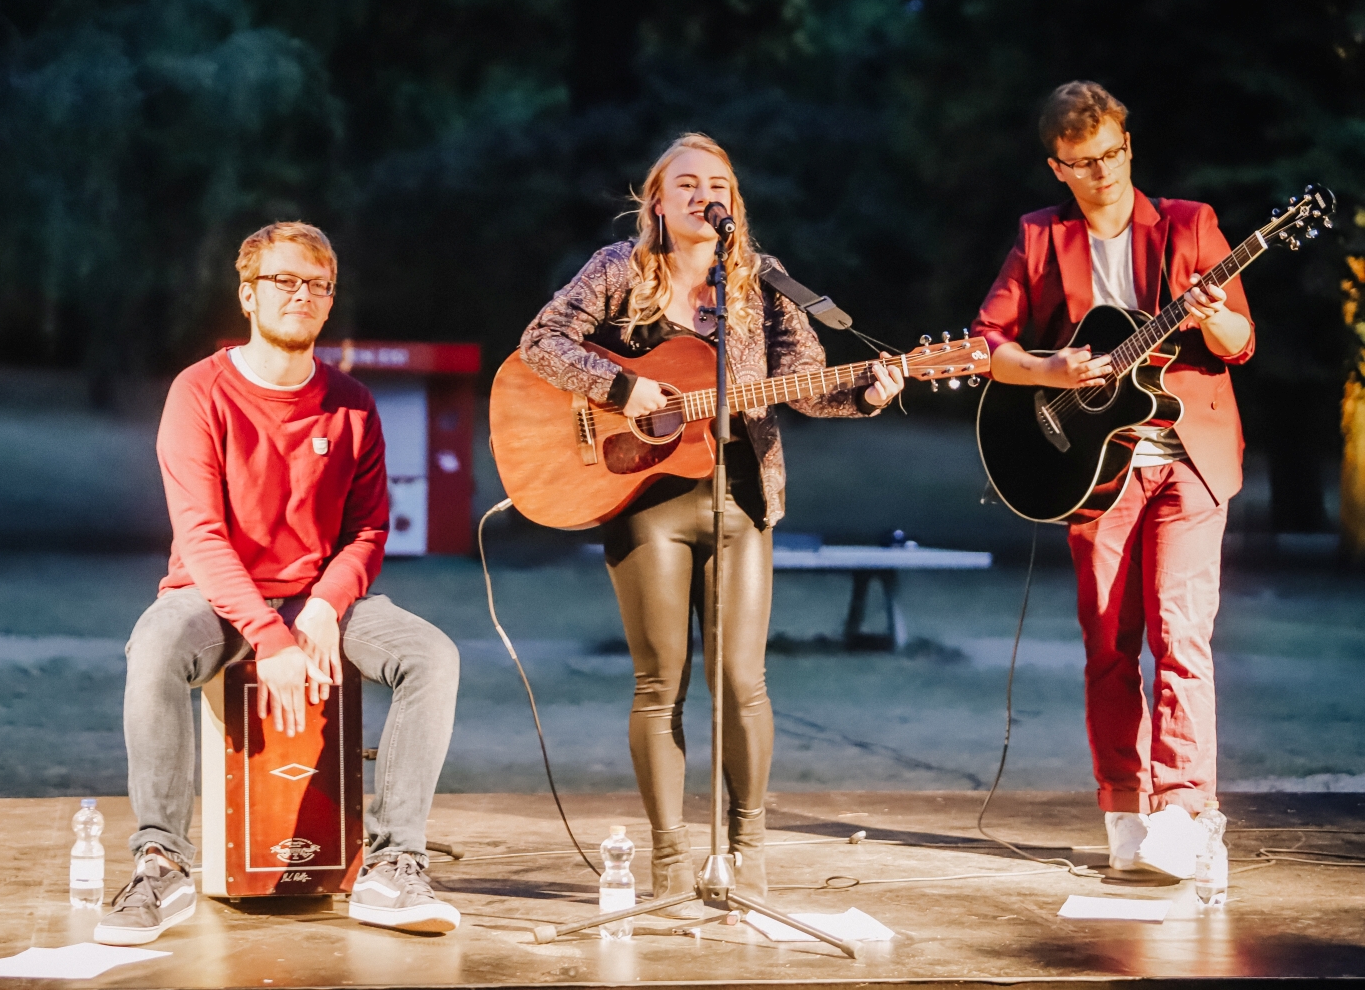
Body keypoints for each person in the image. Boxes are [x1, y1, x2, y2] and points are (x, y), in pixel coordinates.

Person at [519, 133, 903, 911]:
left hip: (743, 496)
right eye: (687, 183)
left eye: (718, 184)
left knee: (741, 680)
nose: (705, 195)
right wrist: (623, 390)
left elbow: (804, 383)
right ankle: (668, 860)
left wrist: (868, 390)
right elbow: (541, 342)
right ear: (657, 200)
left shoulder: (763, 282)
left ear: (735, 202)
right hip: (644, 498)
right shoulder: (618, 270)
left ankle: (746, 855)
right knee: (660, 683)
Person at [96, 221, 462, 944]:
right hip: (215, 599)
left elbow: (369, 531)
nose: (302, 295)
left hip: (319, 599)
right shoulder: (199, 391)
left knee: (433, 655)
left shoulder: (352, 403)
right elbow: (200, 535)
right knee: (155, 645)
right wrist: (269, 635)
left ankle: (393, 866)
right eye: (284, 281)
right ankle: (160, 864)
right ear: (248, 295)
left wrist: (325, 604)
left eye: (318, 285)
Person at [971, 82, 1255, 879]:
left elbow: (1239, 340)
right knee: (1108, 644)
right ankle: (1125, 806)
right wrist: (1049, 369)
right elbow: (987, 342)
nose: (1104, 172)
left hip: (1188, 458)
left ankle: (1185, 811)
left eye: (1113, 153)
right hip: (1094, 466)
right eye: (1084, 162)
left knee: (1181, 635)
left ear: (1128, 145)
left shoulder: (1190, 225)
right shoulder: (1041, 237)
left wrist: (1209, 315)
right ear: (1057, 167)